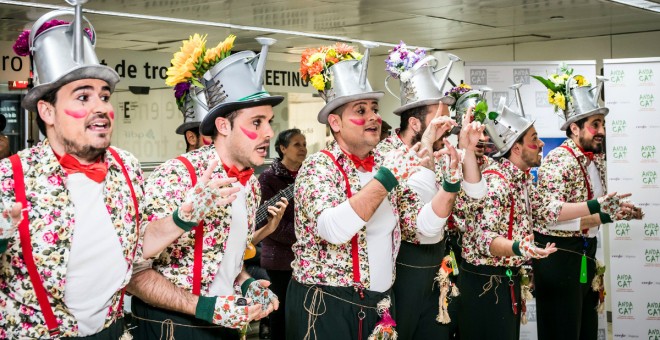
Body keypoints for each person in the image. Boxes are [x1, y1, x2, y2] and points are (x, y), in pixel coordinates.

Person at [0, 6, 234, 339]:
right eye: (83, 97)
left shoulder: (126, 167)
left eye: (105, 96)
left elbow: (135, 249)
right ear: (47, 111)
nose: (102, 108)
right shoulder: (10, 176)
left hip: (112, 331)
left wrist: (184, 216)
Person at [287, 42, 461, 340]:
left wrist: (451, 184)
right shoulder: (319, 166)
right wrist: (387, 178)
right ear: (335, 122)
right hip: (327, 305)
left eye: (375, 109)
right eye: (361, 110)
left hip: (380, 305)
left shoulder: (384, 162)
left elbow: (422, 228)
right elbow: (333, 229)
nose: (373, 117)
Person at [128, 36, 288, 339]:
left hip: (225, 324)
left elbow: (226, 259)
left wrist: (245, 283)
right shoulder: (177, 174)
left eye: (269, 121)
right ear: (223, 126)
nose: (268, 132)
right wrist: (182, 218)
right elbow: (133, 271)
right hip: (169, 326)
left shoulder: (251, 184)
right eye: (256, 122)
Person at [458, 85, 632, 340]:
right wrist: (521, 248)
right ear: (516, 149)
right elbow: (485, 240)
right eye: (534, 140)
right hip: (485, 284)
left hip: (507, 278)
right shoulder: (497, 182)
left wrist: (600, 206)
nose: (541, 144)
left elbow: (549, 210)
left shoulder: (523, 180)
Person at [378, 46, 486, 340]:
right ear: (415, 123)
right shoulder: (386, 154)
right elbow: (417, 224)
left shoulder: (441, 152)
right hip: (403, 266)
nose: (447, 129)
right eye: (440, 122)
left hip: (438, 261)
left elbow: (474, 197)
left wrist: (467, 148)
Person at [533, 73, 644, 340]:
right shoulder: (560, 159)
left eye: (603, 123)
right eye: (595, 124)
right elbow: (548, 216)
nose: (602, 131)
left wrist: (615, 214)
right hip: (559, 258)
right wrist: (603, 213)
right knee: (562, 332)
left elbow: (590, 214)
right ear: (574, 128)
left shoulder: (596, 160)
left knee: (586, 332)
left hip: (585, 254)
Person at [256, 128, 307, 340]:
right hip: (280, 260)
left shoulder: (309, 174)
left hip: (305, 259)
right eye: (297, 144)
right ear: (282, 148)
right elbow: (270, 223)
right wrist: (306, 236)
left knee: (301, 315)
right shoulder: (268, 178)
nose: (303, 148)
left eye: (304, 144)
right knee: (281, 315)